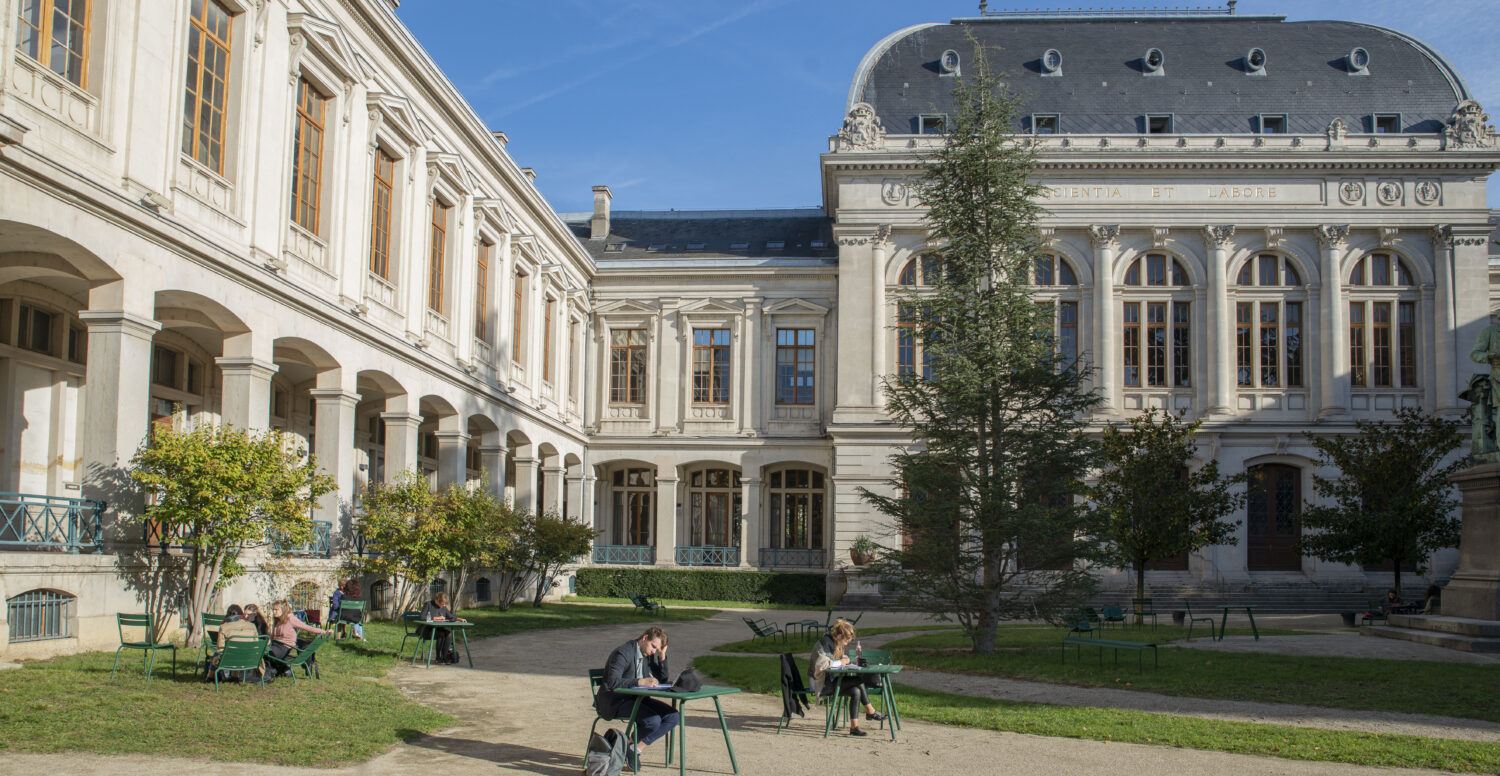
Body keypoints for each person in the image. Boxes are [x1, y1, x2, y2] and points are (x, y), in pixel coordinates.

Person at [596, 626, 679, 769]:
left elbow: (663, 679)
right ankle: (626, 746)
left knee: (673, 716)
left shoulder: (649, 654)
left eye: (656, 649)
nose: (653, 651)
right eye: (653, 646)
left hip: (637, 698)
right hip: (616, 700)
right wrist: (639, 681)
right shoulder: (623, 653)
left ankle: (634, 749)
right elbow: (612, 682)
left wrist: (662, 657)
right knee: (653, 721)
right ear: (645, 638)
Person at [809, 619, 885, 736]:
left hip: (830, 680)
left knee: (856, 691)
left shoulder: (834, 642)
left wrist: (845, 660)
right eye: (846, 641)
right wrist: (842, 662)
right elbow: (825, 665)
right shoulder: (825, 643)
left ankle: (854, 727)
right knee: (858, 680)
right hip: (820, 683)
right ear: (839, 636)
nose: (846, 644)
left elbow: (837, 658)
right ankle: (870, 711)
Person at [268, 598, 330, 676]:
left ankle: (282, 670)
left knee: (268, 654)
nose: (274, 612)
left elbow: (307, 627)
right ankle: (283, 670)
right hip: (275, 644)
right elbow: (273, 636)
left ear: (283, 610)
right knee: (263, 652)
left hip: (284, 647)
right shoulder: (277, 620)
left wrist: (324, 632)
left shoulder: (290, 619)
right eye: (273, 609)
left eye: (276, 610)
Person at [209, 604, 262, 682]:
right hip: (249, 659)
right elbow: (255, 645)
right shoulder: (252, 626)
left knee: (216, 655)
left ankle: (210, 677)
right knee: (237, 650)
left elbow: (220, 648)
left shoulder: (224, 626)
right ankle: (235, 676)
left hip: (229, 660)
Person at [419, 591, 466, 664]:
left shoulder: (443, 607)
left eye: (444, 604)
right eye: (442, 604)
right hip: (426, 630)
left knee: (448, 634)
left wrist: (459, 619)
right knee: (441, 634)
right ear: (437, 600)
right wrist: (434, 618)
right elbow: (422, 617)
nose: (443, 605)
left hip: (438, 629)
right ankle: (438, 658)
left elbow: (450, 616)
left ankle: (445, 657)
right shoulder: (428, 604)